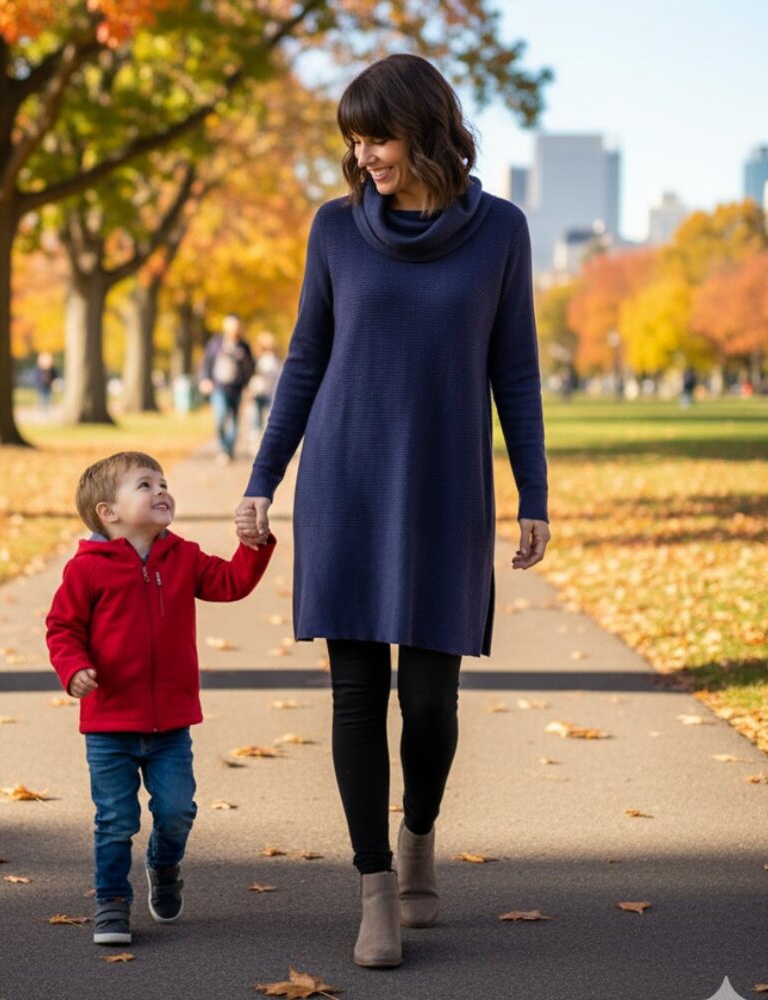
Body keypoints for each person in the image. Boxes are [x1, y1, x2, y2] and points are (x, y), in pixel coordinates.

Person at [234, 54, 551, 969]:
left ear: (426, 128)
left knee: (431, 701)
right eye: (354, 140)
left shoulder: (502, 233)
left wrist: (533, 488)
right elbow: (303, 361)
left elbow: (515, 370)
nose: (363, 154)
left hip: (446, 486)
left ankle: (419, 833)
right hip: (347, 480)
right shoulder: (334, 230)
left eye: (376, 136)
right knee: (355, 694)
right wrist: (264, 479)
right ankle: (375, 886)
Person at [46, 451, 276, 947]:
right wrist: (73, 669)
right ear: (108, 512)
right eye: (145, 485)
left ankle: (164, 863)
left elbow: (231, 583)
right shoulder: (87, 570)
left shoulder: (183, 556)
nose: (161, 491)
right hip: (110, 724)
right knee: (115, 820)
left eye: (163, 482)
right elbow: (62, 627)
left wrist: (252, 547)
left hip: (171, 724)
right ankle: (111, 901)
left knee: (177, 811)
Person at [198, 314, 255, 462]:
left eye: (235, 327)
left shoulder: (244, 346)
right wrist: (204, 379)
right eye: (230, 327)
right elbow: (206, 362)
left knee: (235, 419)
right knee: (221, 416)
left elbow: (250, 368)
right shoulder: (216, 343)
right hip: (219, 387)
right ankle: (223, 448)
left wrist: (248, 385)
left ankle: (229, 450)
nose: (233, 330)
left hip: (236, 387)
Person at [248, 331, 284, 448]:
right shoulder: (258, 359)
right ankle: (257, 444)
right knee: (257, 420)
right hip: (260, 392)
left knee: (265, 420)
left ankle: (263, 445)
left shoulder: (274, 360)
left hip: (269, 392)